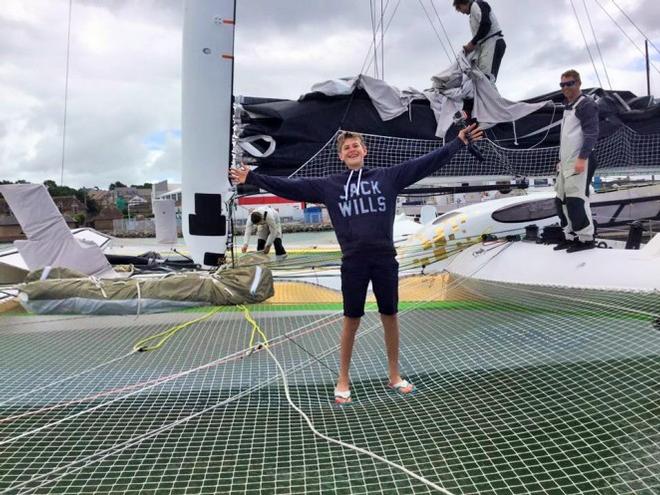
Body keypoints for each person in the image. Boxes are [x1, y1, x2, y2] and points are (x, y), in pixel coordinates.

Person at [231, 124, 483, 404]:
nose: (352, 150)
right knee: (352, 320)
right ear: (341, 156)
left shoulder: (387, 177)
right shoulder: (330, 186)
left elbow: (424, 164)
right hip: (354, 262)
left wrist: (458, 143)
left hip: (385, 260)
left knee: (390, 317)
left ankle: (394, 375)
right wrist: (253, 176)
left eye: (356, 146)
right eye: (346, 147)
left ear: (365, 150)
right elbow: (293, 187)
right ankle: (342, 378)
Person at [553, 69, 599, 253]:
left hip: (581, 160)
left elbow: (591, 133)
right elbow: (567, 138)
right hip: (566, 162)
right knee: (560, 200)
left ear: (578, 83)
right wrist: (560, 161)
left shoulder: (585, 105)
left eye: (569, 83)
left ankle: (586, 239)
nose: (565, 88)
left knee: (576, 200)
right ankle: (570, 236)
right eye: (562, 85)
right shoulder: (568, 106)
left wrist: (582, 158)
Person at [453, 0, 506, 82]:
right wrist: (473, 44)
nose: (462, 13)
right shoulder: (472, 14)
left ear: (462, 4)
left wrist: (472, 43)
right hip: (488, 45)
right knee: (484, 79)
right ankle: (489, 94)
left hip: (492, 43)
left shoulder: (477, 5)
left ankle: (489, 94)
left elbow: (486, 25)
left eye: (460, 9)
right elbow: (481, 31)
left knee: (485, 79)